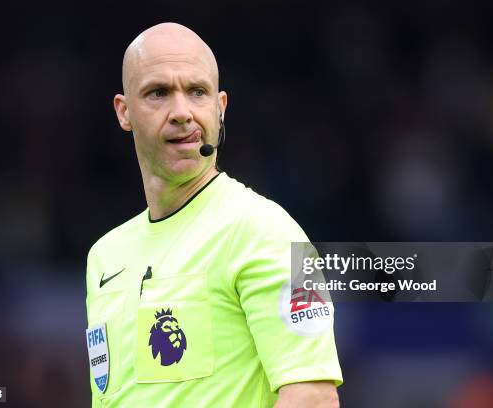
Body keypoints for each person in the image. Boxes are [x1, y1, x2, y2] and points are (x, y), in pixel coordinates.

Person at [85, 22, 343, 407]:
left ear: (220, 109)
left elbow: (313, 398)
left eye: (197, 92)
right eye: (158, 93)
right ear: (124, 112)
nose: (181, 112)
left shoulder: (269, 232)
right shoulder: (104, 257)